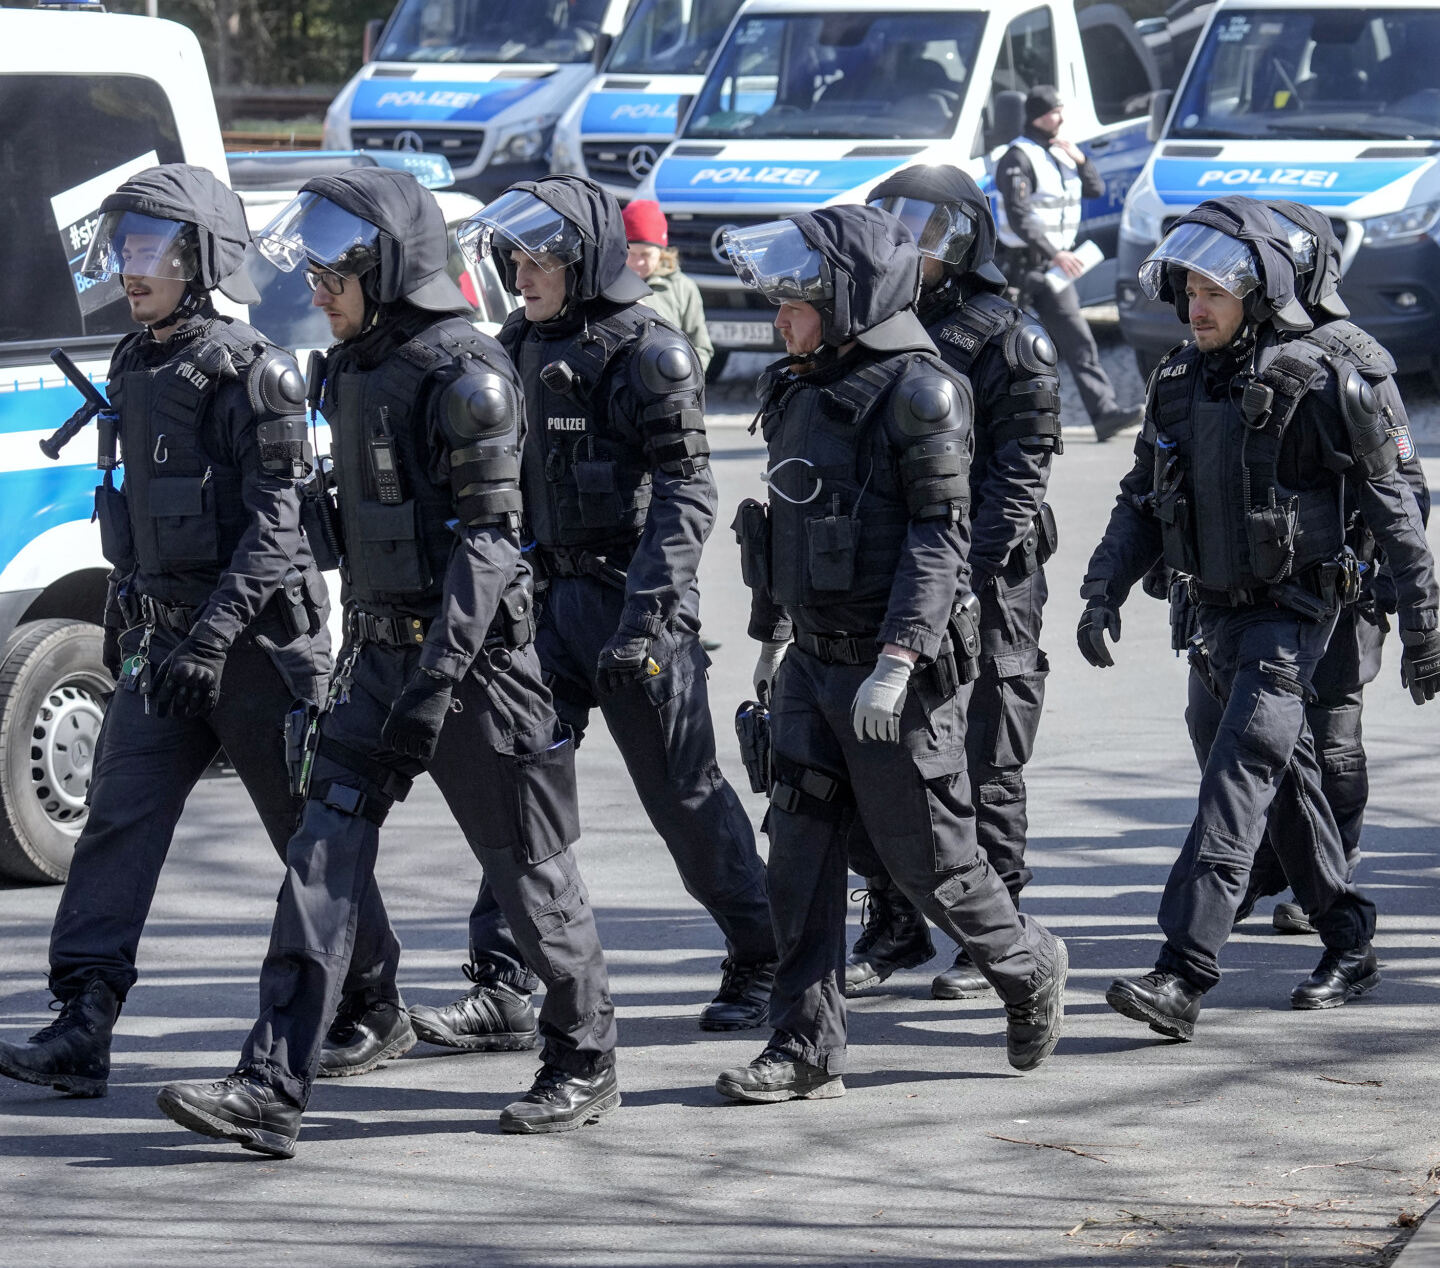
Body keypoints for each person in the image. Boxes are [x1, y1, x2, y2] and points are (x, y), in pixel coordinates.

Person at [157, 167, 617, 1156]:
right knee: (317, 859)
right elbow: (357, 521)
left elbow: (490, 549)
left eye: (335, 266)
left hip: (478, 670)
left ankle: (583, 1051)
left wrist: (436, 686)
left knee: (529, 871)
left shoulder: (471, 377)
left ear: (390, 265)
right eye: (311, 265)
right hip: (373, 657)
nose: (317, 285)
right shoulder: (351, 367)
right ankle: (272, 1083)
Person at [0, 167, 394, 1099]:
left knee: (307, 838)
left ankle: (371, 1001)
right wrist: (136, 618)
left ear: (201, 260)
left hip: (258, 650)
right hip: (165, 649)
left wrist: (213, 640)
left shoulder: (257, 372)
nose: (132, 271)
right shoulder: (134, 363)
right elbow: (137, 513)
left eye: (151, 252)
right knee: (116, 825)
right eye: (124, 250)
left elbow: (276, 527)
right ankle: (83, 1020)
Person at [389, 177, 775, 1053]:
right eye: (514, 256)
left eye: (540, 257)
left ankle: (764, 953)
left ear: (585, 259)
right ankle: (506, 985)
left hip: (633, 607)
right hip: (542, 604)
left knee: (682, 798)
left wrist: (648, 618)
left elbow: (687, 490)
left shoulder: (650, 351)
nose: (522, 273)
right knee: (515, 783)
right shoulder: (517, 343)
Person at [717, 204, 1068, 1102]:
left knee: (931, 862)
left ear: (848, 298)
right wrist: (773, 640)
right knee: (795, 858)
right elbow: (784, 526)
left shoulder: (922, 391)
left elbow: (940, 540)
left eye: (796, 304)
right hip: (813, 664)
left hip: (891, 674)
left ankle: (1026, 969)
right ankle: (803, 1047)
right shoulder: (799, 384)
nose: (780, 321)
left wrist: (903, 656)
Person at [1079, 197, 1440, 1039]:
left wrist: (1421, 624)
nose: (1195, 306)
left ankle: (1182, 973)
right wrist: (1102, 589)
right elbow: (1143, 496)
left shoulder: (1324, 377)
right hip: (1207, 619)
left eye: (1215, 290)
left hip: (1293, 617)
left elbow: (1397, 507)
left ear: (1264, 289)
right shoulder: (1179, 378)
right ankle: (1348, 937)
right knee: (1283, 791)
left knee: (1235, 782)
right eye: (1188, 290)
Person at [834, 164, 1065, 999]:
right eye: (892, 224)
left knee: (987, 754)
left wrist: (962, 581)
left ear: (965, 239)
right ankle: (894, 925)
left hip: (991, 580)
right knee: (885, 750)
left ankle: (992, 936)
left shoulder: (1008, 337)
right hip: (901, 572)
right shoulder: (879, 326)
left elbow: (1017, 477)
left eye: (924, 229)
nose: (905, 242)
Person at [1240, 200, 1428, 931]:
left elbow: (1404, 488)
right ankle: (1273, 864)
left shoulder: (1357, 357)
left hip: (1341, 587)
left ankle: (1333, 868)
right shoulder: (1230, 353)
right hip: (1253, 591)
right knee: (1251, 737)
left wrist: (1395, 591)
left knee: (1334, 741)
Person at [994, 83, 1139, 441]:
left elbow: (1095, 190)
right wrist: (1053, 251)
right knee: (997, 346)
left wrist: (1082, 160)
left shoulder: (1061, 152)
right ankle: (991, 419)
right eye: (1055, 112)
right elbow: (1018, 214)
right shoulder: (1017, 157)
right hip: (1019, 266)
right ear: (1040, 116)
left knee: (1079, 341)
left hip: (1054, 270)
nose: (1061, 118)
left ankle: (1104, 414)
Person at [622, 196, 714, 377]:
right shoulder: (608, 285)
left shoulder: (682, 288)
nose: (637, 262)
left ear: (661, 252)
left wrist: (685, 380)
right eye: (631, 253)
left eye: (646, 254)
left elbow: (701, 347)